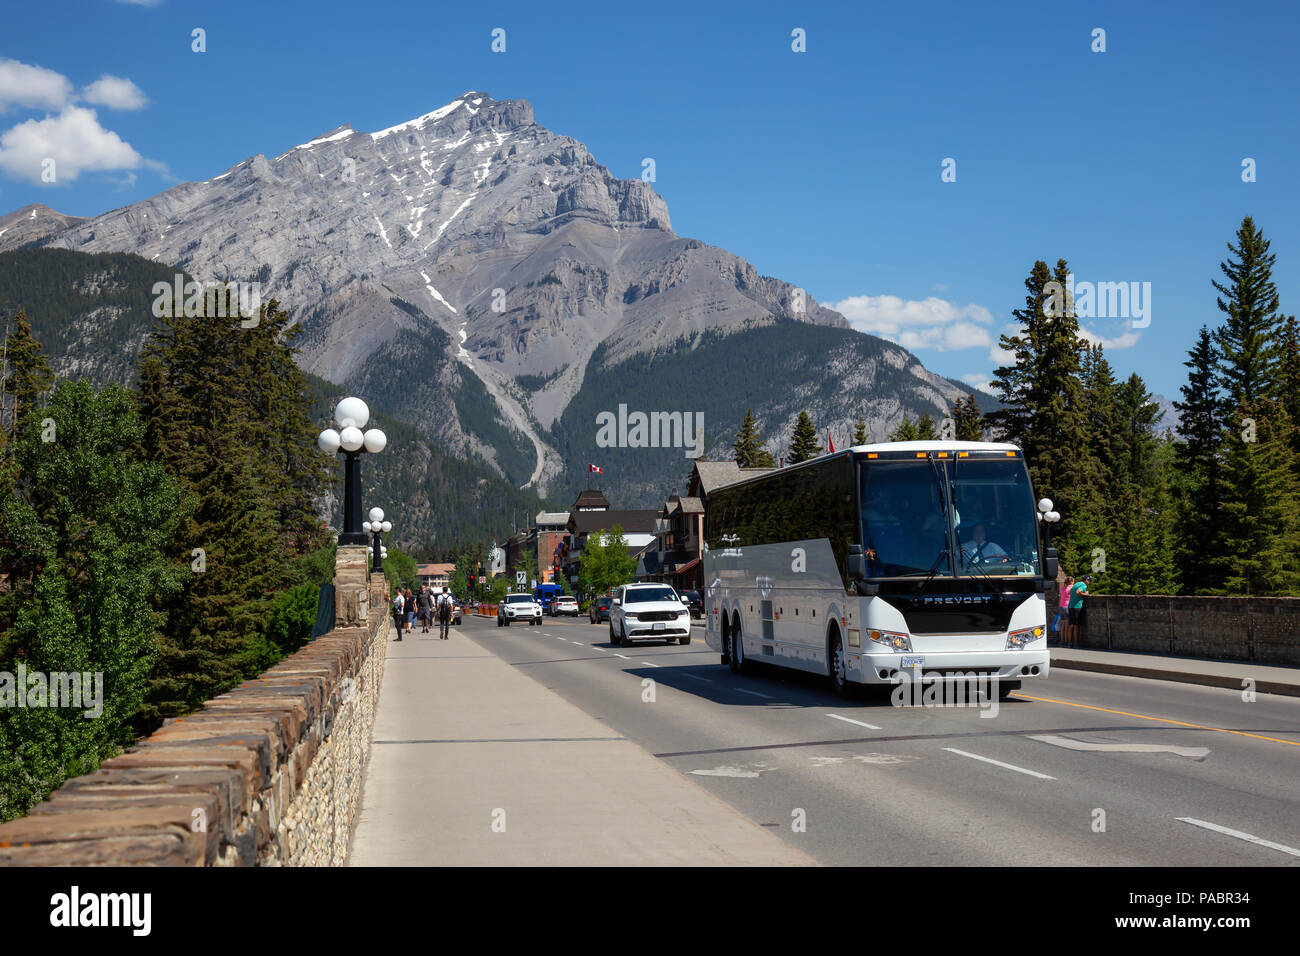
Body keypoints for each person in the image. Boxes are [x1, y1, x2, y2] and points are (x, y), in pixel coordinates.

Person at [1066, 575, 1091, 646]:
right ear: (1086, 580)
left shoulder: (1076, 583)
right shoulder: (1083, 585)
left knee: (1071, 625)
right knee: (1076, 626)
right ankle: (1076, 643)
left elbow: (1069, 592)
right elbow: (1078, 592)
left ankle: (1069, 643)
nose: (1089, 582)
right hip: (1077, 607)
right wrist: (1085, 594)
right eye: (1089, 581)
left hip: (1070, 606)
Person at [1053, 574, 1073, 643]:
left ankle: (1062, 640)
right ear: (1071, 582)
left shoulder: (1062, 588)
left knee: (1063, 626)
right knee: (1067, 626)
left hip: (1061, 607)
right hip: (1067, 607)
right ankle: (1067, 641)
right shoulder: (1071, 587)